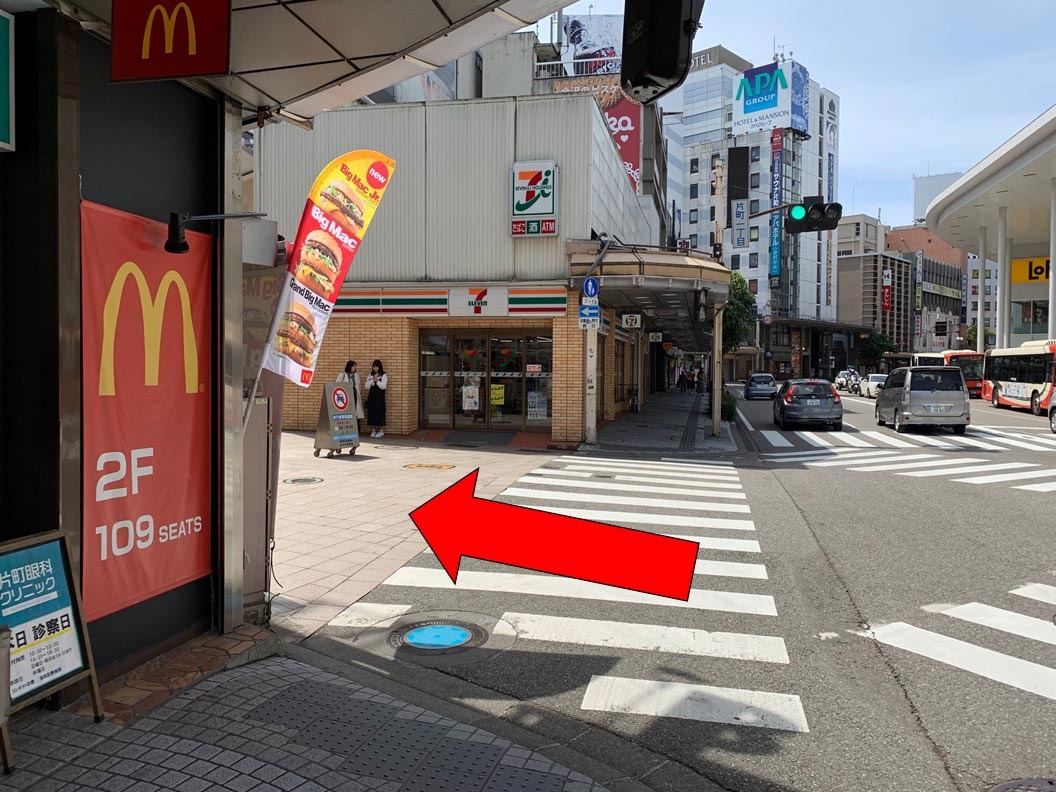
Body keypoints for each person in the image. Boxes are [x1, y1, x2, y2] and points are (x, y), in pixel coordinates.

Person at [336, 360, 364, 426]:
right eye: (353, 366)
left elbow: (359, 386)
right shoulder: (342, 375)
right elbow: (337, 386)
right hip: (346, 396)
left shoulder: (356, 375)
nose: (355, 367)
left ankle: (356, 428)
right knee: (347, 412)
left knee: (356, 412)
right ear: (349, 366)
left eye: (355, 366)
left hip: (355, 395)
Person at [365, 359, 388, 437]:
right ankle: (373, 430)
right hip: (372, 397)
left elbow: (384, 386)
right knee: (372, 413)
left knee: (380, 413)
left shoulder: (383, 375)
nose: (375, 368)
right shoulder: (370, 375)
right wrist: (371, 380)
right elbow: (366, 386)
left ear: (380, 367)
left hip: (380, 398)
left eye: (377, 366)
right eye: (374, 367)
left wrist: (377, 381)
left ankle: (381, 431)